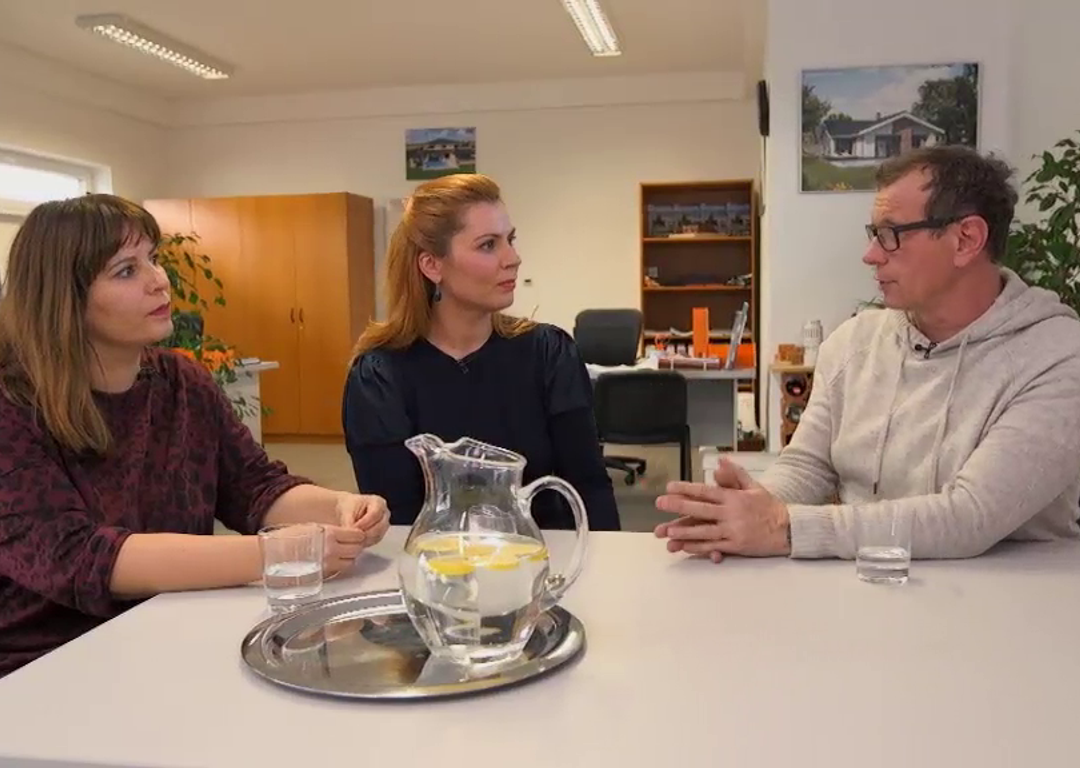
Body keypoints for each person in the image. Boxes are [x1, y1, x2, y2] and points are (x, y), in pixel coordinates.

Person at [0, 194, 390, 677]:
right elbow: (80, 559)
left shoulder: (181, 382)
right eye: (126, 271)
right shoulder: (14, 408)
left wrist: (339, 507)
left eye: (153, 259)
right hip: (46, 665)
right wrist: (275, 553)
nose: (158, 280)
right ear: (65, 297)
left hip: (168, 632)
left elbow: (254, 486)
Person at [655, 145, 1080, 562]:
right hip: (865, 590)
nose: (870, 255)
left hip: (1005, 601)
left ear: (966, 239)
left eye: (891, 234)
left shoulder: (1057, 357)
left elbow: (969, 517)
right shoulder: (853, 342)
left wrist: (783, 526)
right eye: (873, 234)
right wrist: (743, 510)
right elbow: (808, 467)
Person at [342, 173, 619, 531]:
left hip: (545, 556)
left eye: (510, 240)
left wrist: (606, 561)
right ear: (432, 265)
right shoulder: (379, 377)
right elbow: (395, 521)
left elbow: (589, 487)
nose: (513, 258)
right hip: (435, 561)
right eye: (488, 245)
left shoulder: (549, 354)